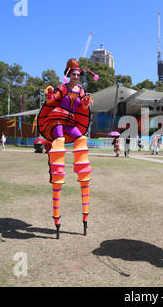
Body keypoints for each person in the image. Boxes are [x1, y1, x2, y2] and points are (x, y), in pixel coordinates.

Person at [37, 58, 98, 238]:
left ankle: (85, 209)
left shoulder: (81, 91)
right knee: (60, 140)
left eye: (79, 75)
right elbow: (52, 100)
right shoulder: (62, 88)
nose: (76, 77)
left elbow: (82, 107)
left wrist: (86, 102)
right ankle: (56, 212)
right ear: (68, 74)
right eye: (74, 74)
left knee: (80, 139)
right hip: (56, 119)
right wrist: (49, 93)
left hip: (71, 120)